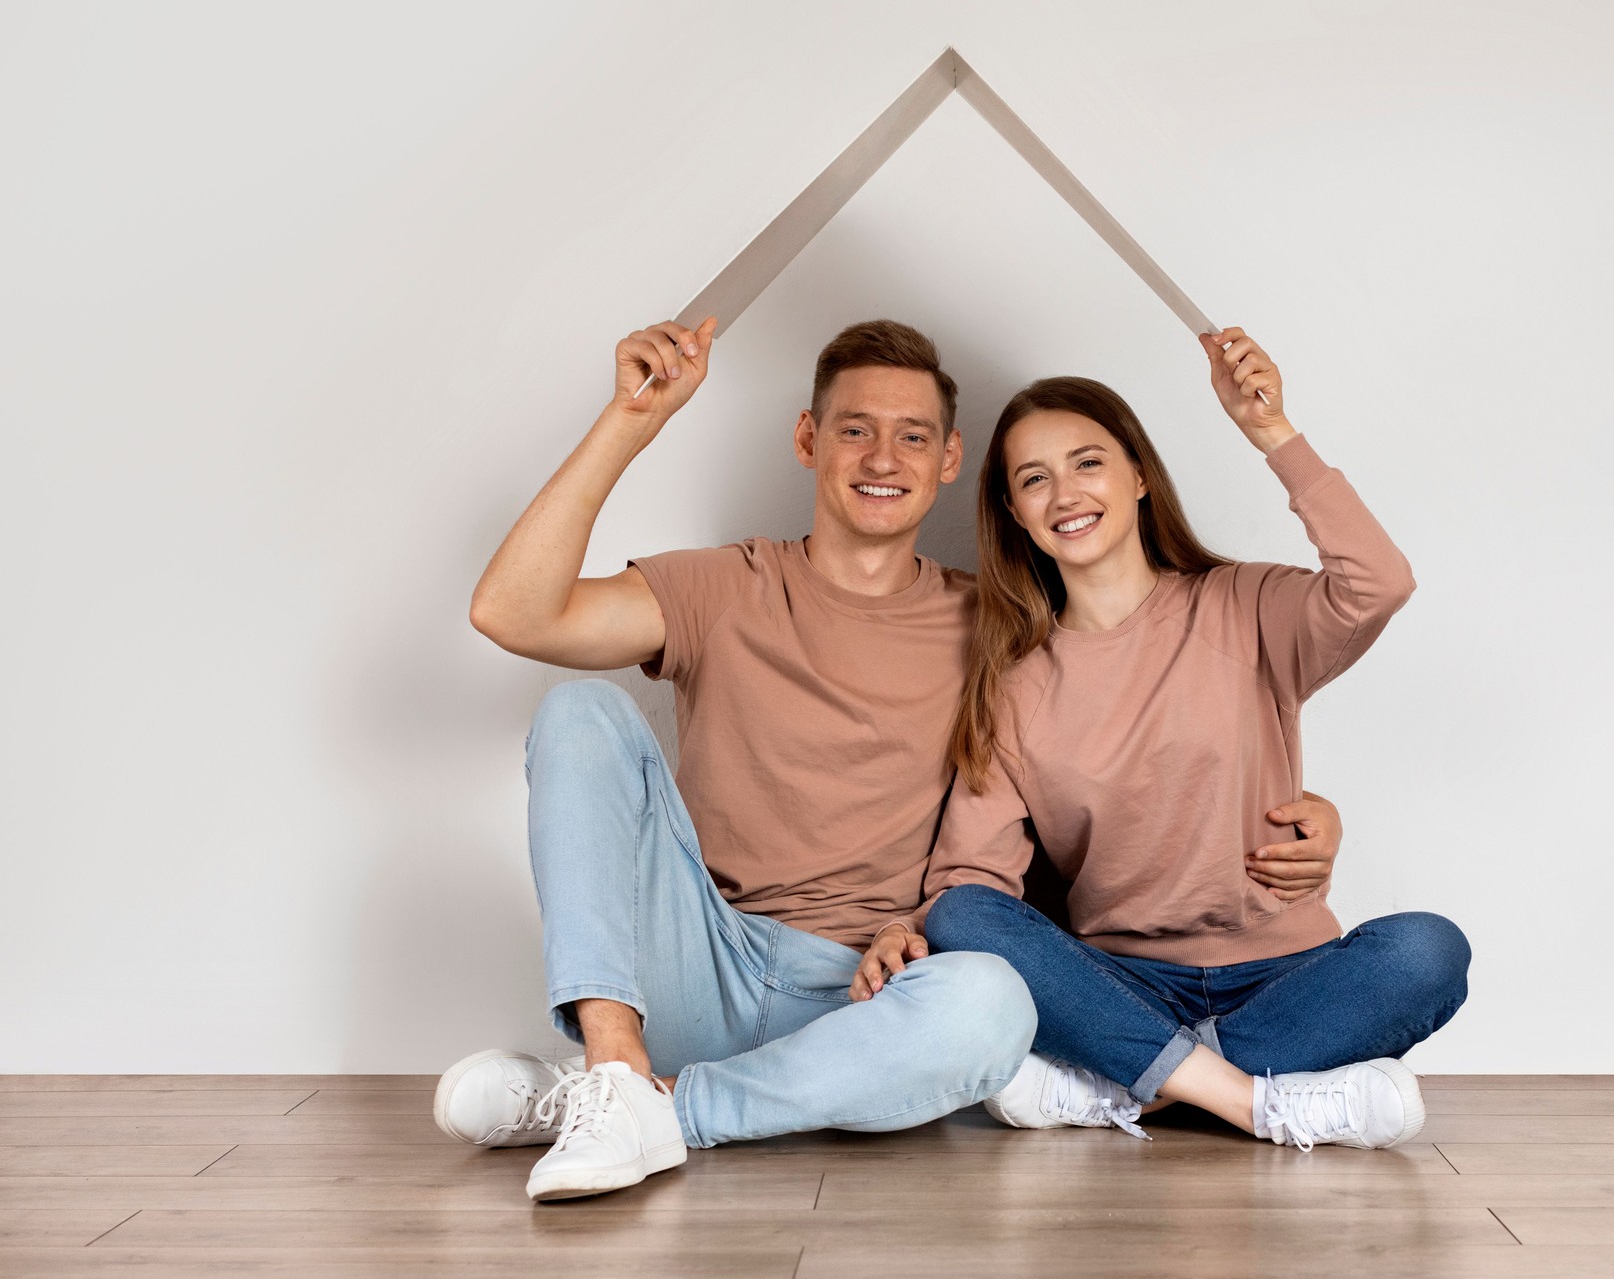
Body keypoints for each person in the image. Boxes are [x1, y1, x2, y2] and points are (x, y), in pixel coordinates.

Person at [436, 313, 1357, 1199]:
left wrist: (1299, 809)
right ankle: (613, 1068)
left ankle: (647, 1110)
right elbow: (512, 613)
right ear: (807, 438)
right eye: (856, 430)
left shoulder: (1002, 630)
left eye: (914, 437)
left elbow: (1138, 749)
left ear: (950, 462)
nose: (884, 459)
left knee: (993, 1002)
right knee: (581, 711)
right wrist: (630, 421)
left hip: (870, 1003)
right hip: (701, 959)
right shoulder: (722, 586)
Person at [901, 328, 1471, 1151]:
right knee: (962, 916)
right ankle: (1254, 1101)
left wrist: (1271, 431)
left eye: (1087, 461)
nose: (1064, 491)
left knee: (1427, 949)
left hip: (1286, 974)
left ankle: (1126, 1088)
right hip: (1120, 985)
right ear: (1015, 514)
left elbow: (1379, 583)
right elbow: (968, 883)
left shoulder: (1244, 606)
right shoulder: (1013, 686)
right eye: (1034, 479)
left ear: (1137, 476)